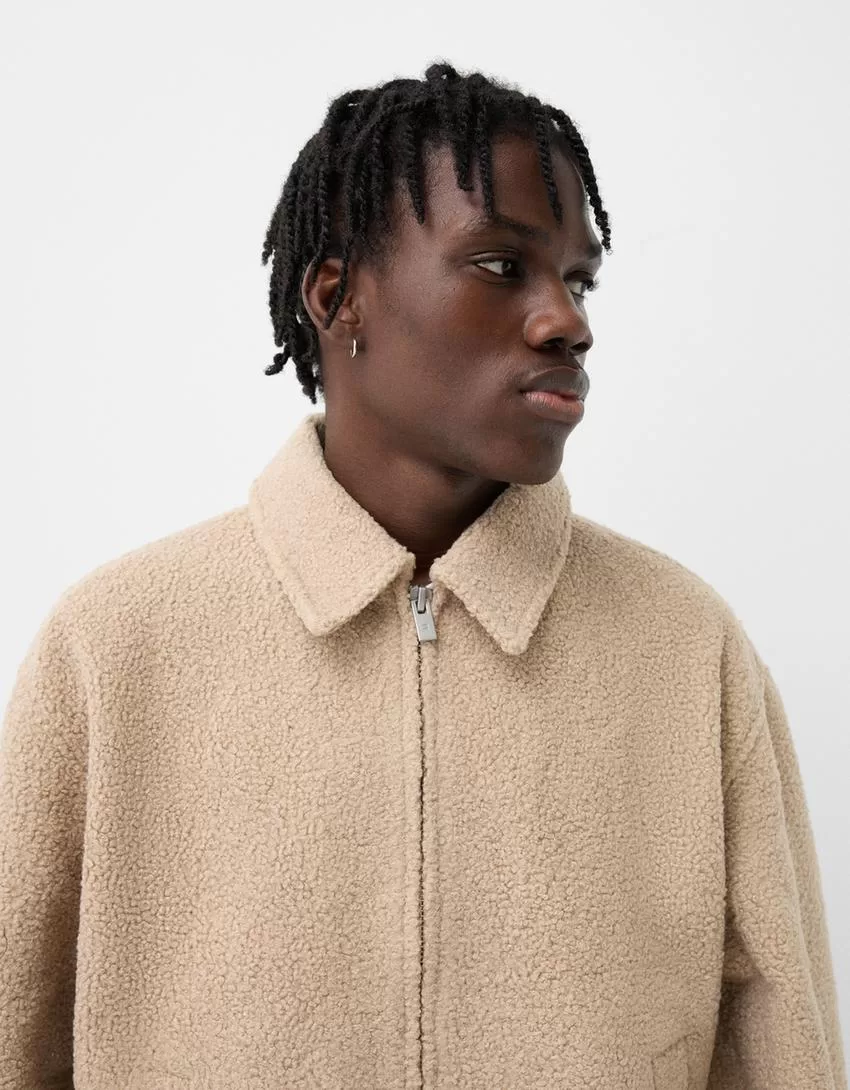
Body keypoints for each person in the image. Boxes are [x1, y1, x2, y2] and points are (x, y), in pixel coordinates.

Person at [0, 60, 845, 1090]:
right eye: (501, 264)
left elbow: (783, 1050)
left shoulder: (682, 649)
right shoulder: (117, 648)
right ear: (337, 296)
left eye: (577, 280)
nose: (568, 321)